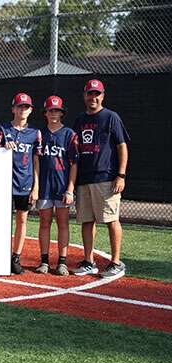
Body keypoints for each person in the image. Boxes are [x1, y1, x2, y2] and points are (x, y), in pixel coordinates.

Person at [72, 79, 130, 278]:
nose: (93, 97)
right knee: (87, 221)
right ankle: (89, 261)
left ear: (103, 96)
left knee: (111, 219)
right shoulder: (79, 120)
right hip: (84, 178)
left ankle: (116, 262)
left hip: (106, 177)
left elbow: (122, 146)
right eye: (90, 93)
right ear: (84, 95)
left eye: (97, 94)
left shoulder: (111, 117)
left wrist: (120, 175)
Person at [0, 93, 42, 274]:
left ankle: (15, 257)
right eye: (19, 106)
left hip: (25, 183)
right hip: (5, 184)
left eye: (26, 107)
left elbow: (36, 161)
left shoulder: (34, 133)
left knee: (22, 221)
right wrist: (2, 147)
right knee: (2, 221)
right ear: (13, 109)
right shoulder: (2, 130)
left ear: (30, 110)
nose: (22, 110)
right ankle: (0, 256)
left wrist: (36, 186)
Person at [34, 95, 79, 276]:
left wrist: (70, 189)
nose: (54, 113)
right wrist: (35, 187)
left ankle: (62, 262)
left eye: (57, 110)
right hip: (44, 186)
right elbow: (35, 162)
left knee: (63, 224)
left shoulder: (69, 134)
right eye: (50, 110)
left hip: (62, 187)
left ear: (62, 113)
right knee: (44, 224)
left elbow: (74, 164)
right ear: (45, 113)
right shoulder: (39, 134)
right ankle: (44, 261)